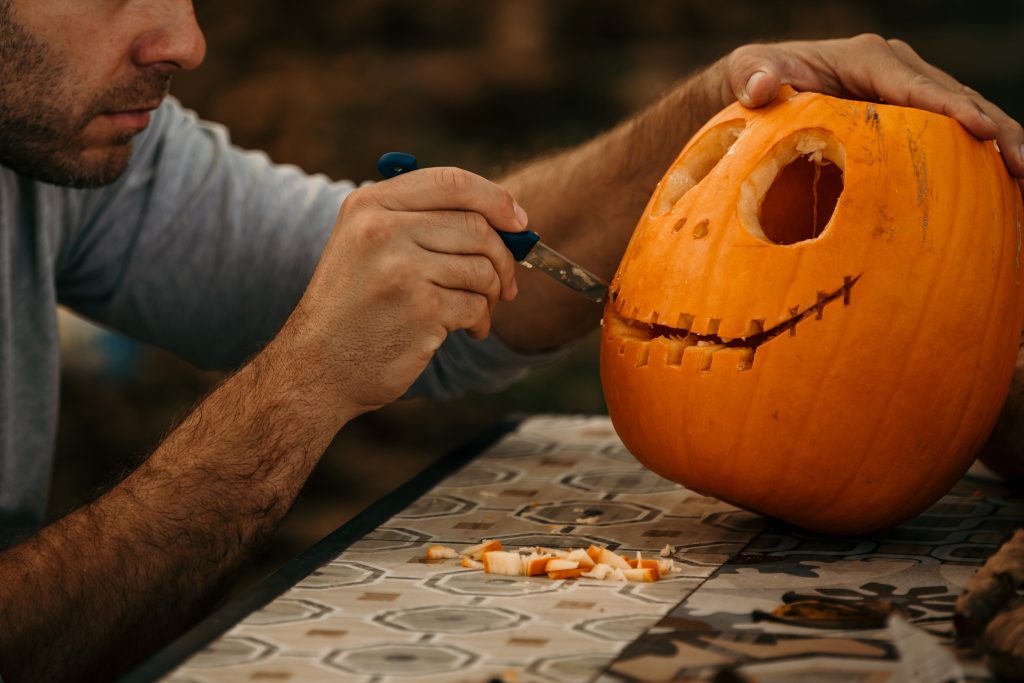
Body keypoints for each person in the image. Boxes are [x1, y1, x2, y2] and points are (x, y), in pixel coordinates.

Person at [0, 1, 1021, 681]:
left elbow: (453, 297)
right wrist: (301, 386)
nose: (184, 39)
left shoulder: (80, 145)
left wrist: (713, 109)